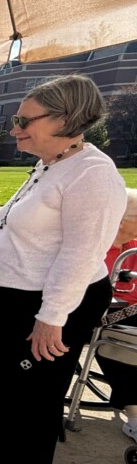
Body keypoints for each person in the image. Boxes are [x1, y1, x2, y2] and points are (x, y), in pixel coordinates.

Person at [0, 75, 127, 464]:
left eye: (24, 119)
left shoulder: (92, 174)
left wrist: (52, 318)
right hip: (13, 298)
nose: (15, 128)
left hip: (52, 304)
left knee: (33, 387)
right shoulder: (52, 163)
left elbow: (81, 253)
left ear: (65, 119)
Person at [94, 188, 137, 442]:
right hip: (100, 319)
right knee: (121, 344)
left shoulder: (133, 248)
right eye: (133, 225)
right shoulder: (95, 247)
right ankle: (134, 414)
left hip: (130, 314)